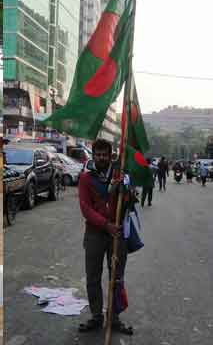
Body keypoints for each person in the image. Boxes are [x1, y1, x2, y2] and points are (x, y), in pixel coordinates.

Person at [77, 138, 133, 335]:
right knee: (93, 278)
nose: (101, 158)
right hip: (94, 234)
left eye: (105, 154)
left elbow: (129, 204)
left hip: (117, 234)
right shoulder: (85, 178)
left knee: (116, 278)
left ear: (111, 156)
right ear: (94, 155)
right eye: (98, 154)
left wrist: (126, 193)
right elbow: (86, 208)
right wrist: (105, 224)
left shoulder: (120, 176)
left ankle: (114, 317)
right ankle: (96, 316)